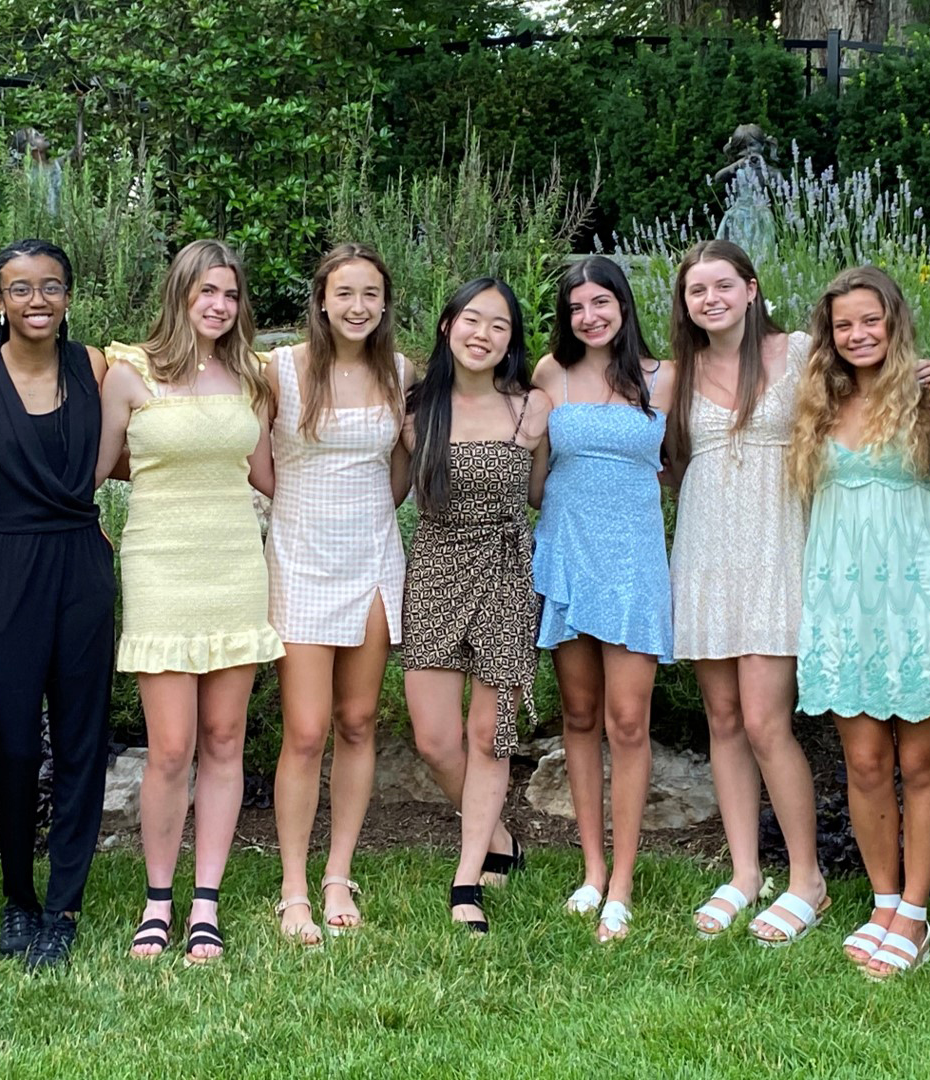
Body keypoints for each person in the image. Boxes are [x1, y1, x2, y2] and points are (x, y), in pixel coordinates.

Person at [96, 239, 282, 964]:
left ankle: (206, 901)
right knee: (171, 747)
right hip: (161, 568)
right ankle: (157, 899)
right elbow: (95, 470)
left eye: (231, 294)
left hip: (235, 566)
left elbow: (267, 474)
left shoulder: (252, 377)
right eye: (207, 291)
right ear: (179, 294)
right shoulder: (130, 373)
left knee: (225, 740)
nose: (220, 305)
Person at [0, 240, 114, 971]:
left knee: (81, 739)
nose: (36, 300)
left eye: (51, 286)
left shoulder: (95, 366)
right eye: (20, 288)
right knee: (11, 741)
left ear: (69, 296)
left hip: (81, 562)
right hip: (5, 563)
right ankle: (18, 894)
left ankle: (64, 903)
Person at [789, 266, 930, 976]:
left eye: (871, 320)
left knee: (920, 762)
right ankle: (883, 900)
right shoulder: (816, 404)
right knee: (863, 762)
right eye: (843, 324)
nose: (858, 334)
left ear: (895, 322)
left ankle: (914, 913)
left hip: (920, 593)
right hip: (841, 599)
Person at [663, 240, 826, 945]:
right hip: (707, 554)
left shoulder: (801, 352)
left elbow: (872, 387)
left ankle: (806, 879)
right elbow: (667, 464)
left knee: (764, 721)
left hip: (778, 550)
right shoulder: (678, 374)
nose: (711, 299)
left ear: (752, 289)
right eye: (697, 290)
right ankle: (743, 872)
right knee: (723, 719)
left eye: (723, 285)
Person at [264, 243, 411, 945]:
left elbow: (403, 469)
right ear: (321, 300)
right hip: (300, 562)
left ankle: (337, 872)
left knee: (358, 721)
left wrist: (367, 515)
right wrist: (303, 506)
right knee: (306, 730)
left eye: (371, 294)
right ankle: (293, 885)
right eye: (345, 293)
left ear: (385, 303)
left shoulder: (400, 372)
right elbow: (257, 461)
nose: (358, 306)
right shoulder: (279, 370)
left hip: (373, 559)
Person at [530, 255, 675, 943]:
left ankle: (623, 881)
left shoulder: (665, 376)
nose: (589, 317)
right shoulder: (549, 374)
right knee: (581, 715)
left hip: (634, 564)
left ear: (623, 304)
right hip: (568, 552)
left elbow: (685, 461)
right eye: (576, 307)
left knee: (628, 722)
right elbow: (533, 474)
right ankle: (592, 868)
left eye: (600, 302)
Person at [402, 277, 552, 935]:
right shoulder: (416, 411)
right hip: (435, 568)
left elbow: (541, 494)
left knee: (490, 735)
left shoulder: (530, 408)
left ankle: (467, 880)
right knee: (436, 739)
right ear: (447, 326)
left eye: (499, 325)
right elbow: (389, 491)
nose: (483, 334)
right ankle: (500, 838)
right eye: (471, 319)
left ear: (511, 340)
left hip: (506, 571)